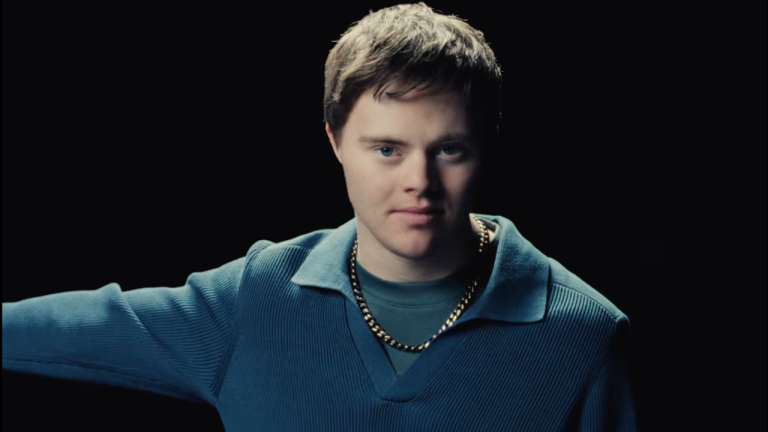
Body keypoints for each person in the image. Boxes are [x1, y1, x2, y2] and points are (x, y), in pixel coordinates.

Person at [2, 3, 637, 431]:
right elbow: (63, 330)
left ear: (485, 146)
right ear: (334, 139)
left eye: (449, 149)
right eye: (386, 149)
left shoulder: (581, 334)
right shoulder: (255, 298)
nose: (419, 182)